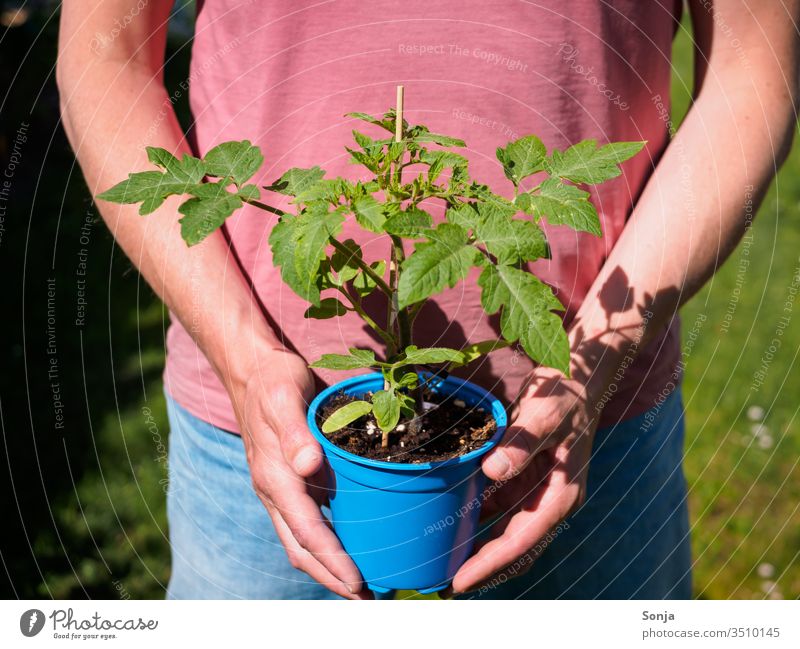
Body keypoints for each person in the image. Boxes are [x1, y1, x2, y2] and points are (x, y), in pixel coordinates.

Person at [57, 0, 799, 599]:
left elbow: (754, 63)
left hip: (594, 440)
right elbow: (102, 58)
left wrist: (592, 359)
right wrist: (245, 360)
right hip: (271, 444)